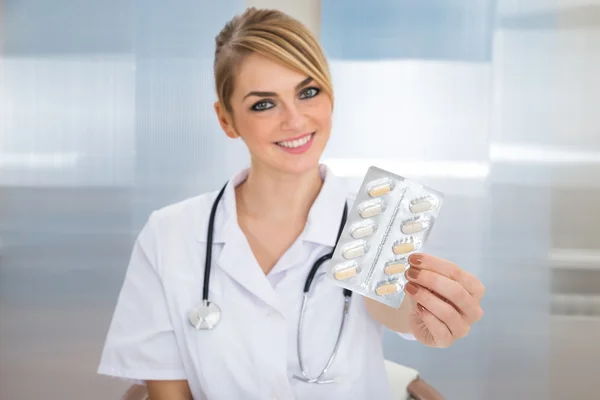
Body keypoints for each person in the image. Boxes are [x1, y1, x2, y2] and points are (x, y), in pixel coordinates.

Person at [97, 7, 485, 400]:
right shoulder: (170, 234)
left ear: (330, 97)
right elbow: (167, 389)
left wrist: (430, 318)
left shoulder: (378, 222)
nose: (295, 120)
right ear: (226, 119)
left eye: (308, 92)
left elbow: (393, 307)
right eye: (263, 104)